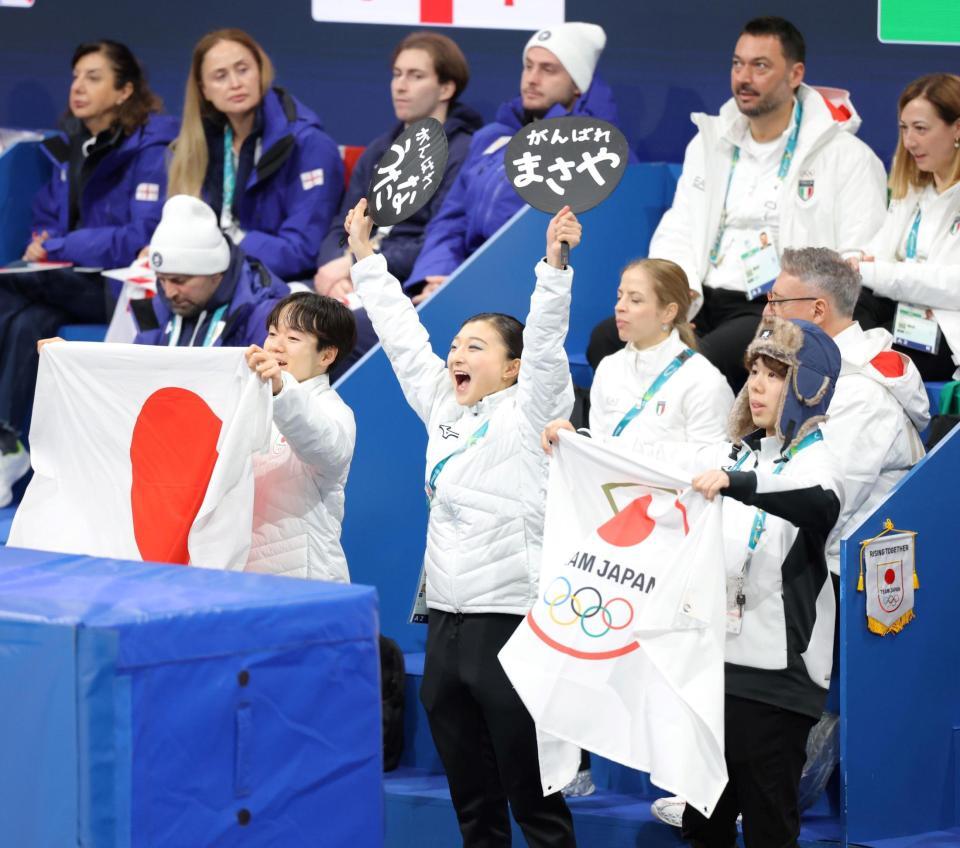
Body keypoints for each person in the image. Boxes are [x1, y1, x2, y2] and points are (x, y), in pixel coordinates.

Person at [647, 246, 929, 831]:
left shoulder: (856, 391)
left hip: (830, 585)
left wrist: (739, 483)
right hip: (762, 595)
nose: (766, 308)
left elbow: (826, 501)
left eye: (777, 300)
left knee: (765, 785)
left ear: (817, 309)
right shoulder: (785, 398)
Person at [555, 317, 842, 847]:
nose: (756, 385)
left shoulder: (822, 461)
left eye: (775, 373)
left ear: (808, 385)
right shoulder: (732, 453)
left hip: (780, 678)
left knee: (768, 825)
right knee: (703, 825)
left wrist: (741, 484)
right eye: (753, 370)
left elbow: (813, 498)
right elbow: (656, 467)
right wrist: (581, 444)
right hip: (713, 668)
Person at [345, 196, 578, 846]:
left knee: (533, 803)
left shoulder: (531, 410)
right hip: (445, 623)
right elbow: (402, 340)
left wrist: (553, 269)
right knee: (474, 807)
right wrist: (366, 261)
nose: (456, 355)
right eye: (455, 346)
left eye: (475, 346)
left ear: (510, 367)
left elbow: (550, 346)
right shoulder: (444, 407)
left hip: (508, 621)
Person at [586, 16, 887, 391]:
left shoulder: (846, 156)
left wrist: (791, 302)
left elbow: (856, 263)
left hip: (772, 306)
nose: (744, 77)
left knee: (698, 364)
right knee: (606, 341)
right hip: (703, 298)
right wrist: (678, 302)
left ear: (795, 74)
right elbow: (680, 227)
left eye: (760, 66)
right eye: (737, 64)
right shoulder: (708, 143)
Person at [0, 39, 176, 500]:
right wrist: (43, 241)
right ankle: (6, 443)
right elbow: (46, 215)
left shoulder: (153, 149)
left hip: (119, 286)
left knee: (14, 290)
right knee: (28, 321)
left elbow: (142, 233)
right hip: (60, 282)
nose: (78, 87)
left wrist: (59, 245)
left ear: (124, 91)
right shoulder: (70, 147)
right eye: (76, 77)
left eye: (93, 78)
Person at [404, 21, 617, 302]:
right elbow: (450, 221)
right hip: (454, 284)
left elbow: (549, 245)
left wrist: (464, 285)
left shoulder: (593, 152)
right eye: (528, 66)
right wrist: (434, 280)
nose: (532, 78)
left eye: (548, 69)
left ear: (578, 84)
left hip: (516, 293)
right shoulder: (490, 137)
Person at [313, 31, 482, 376]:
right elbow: (339, 224)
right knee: (284, 316)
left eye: (416, 76)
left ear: (446, 89)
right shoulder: (380, 148)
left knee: (329, 333)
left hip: (403, 285)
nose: (400, 86)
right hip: (356, 273)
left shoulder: (463, 151)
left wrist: (357, 264)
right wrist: (334, 269)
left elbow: (435, 242)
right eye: (397, 74)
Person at [166, 28, 343, 282]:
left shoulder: (309, 144)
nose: (235, 83)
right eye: (220, 76)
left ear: (261, 71)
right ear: (204, 90)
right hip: (224, 274)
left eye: (242, 69)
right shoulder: (200, 145)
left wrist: (225, 244)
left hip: (287, 285)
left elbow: (301, 251)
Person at [851, 73, 960, 381]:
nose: (910, 141)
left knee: (861, 360)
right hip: (904, 313)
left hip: (947, 334)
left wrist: (872, 270)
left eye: (921, 129)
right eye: (904, 128)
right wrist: (852, 263)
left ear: (957, 128)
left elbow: (952, 285)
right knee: (838, 313)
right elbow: (877, 253)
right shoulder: (913, 189)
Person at [244, 291, 357, 581]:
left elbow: (325, 448)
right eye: (272, 333)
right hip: (243, 574)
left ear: (327, 355)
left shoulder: (333, 411)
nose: (276, 346)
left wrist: (281, 391)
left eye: (293, 339)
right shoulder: (248, 400)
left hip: (306, 579)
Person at [134, 195, 290, 347]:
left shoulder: (266, 317)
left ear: (216, 274)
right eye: (161, 279)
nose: (169, 293)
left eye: (179, 280)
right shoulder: (157, 306)